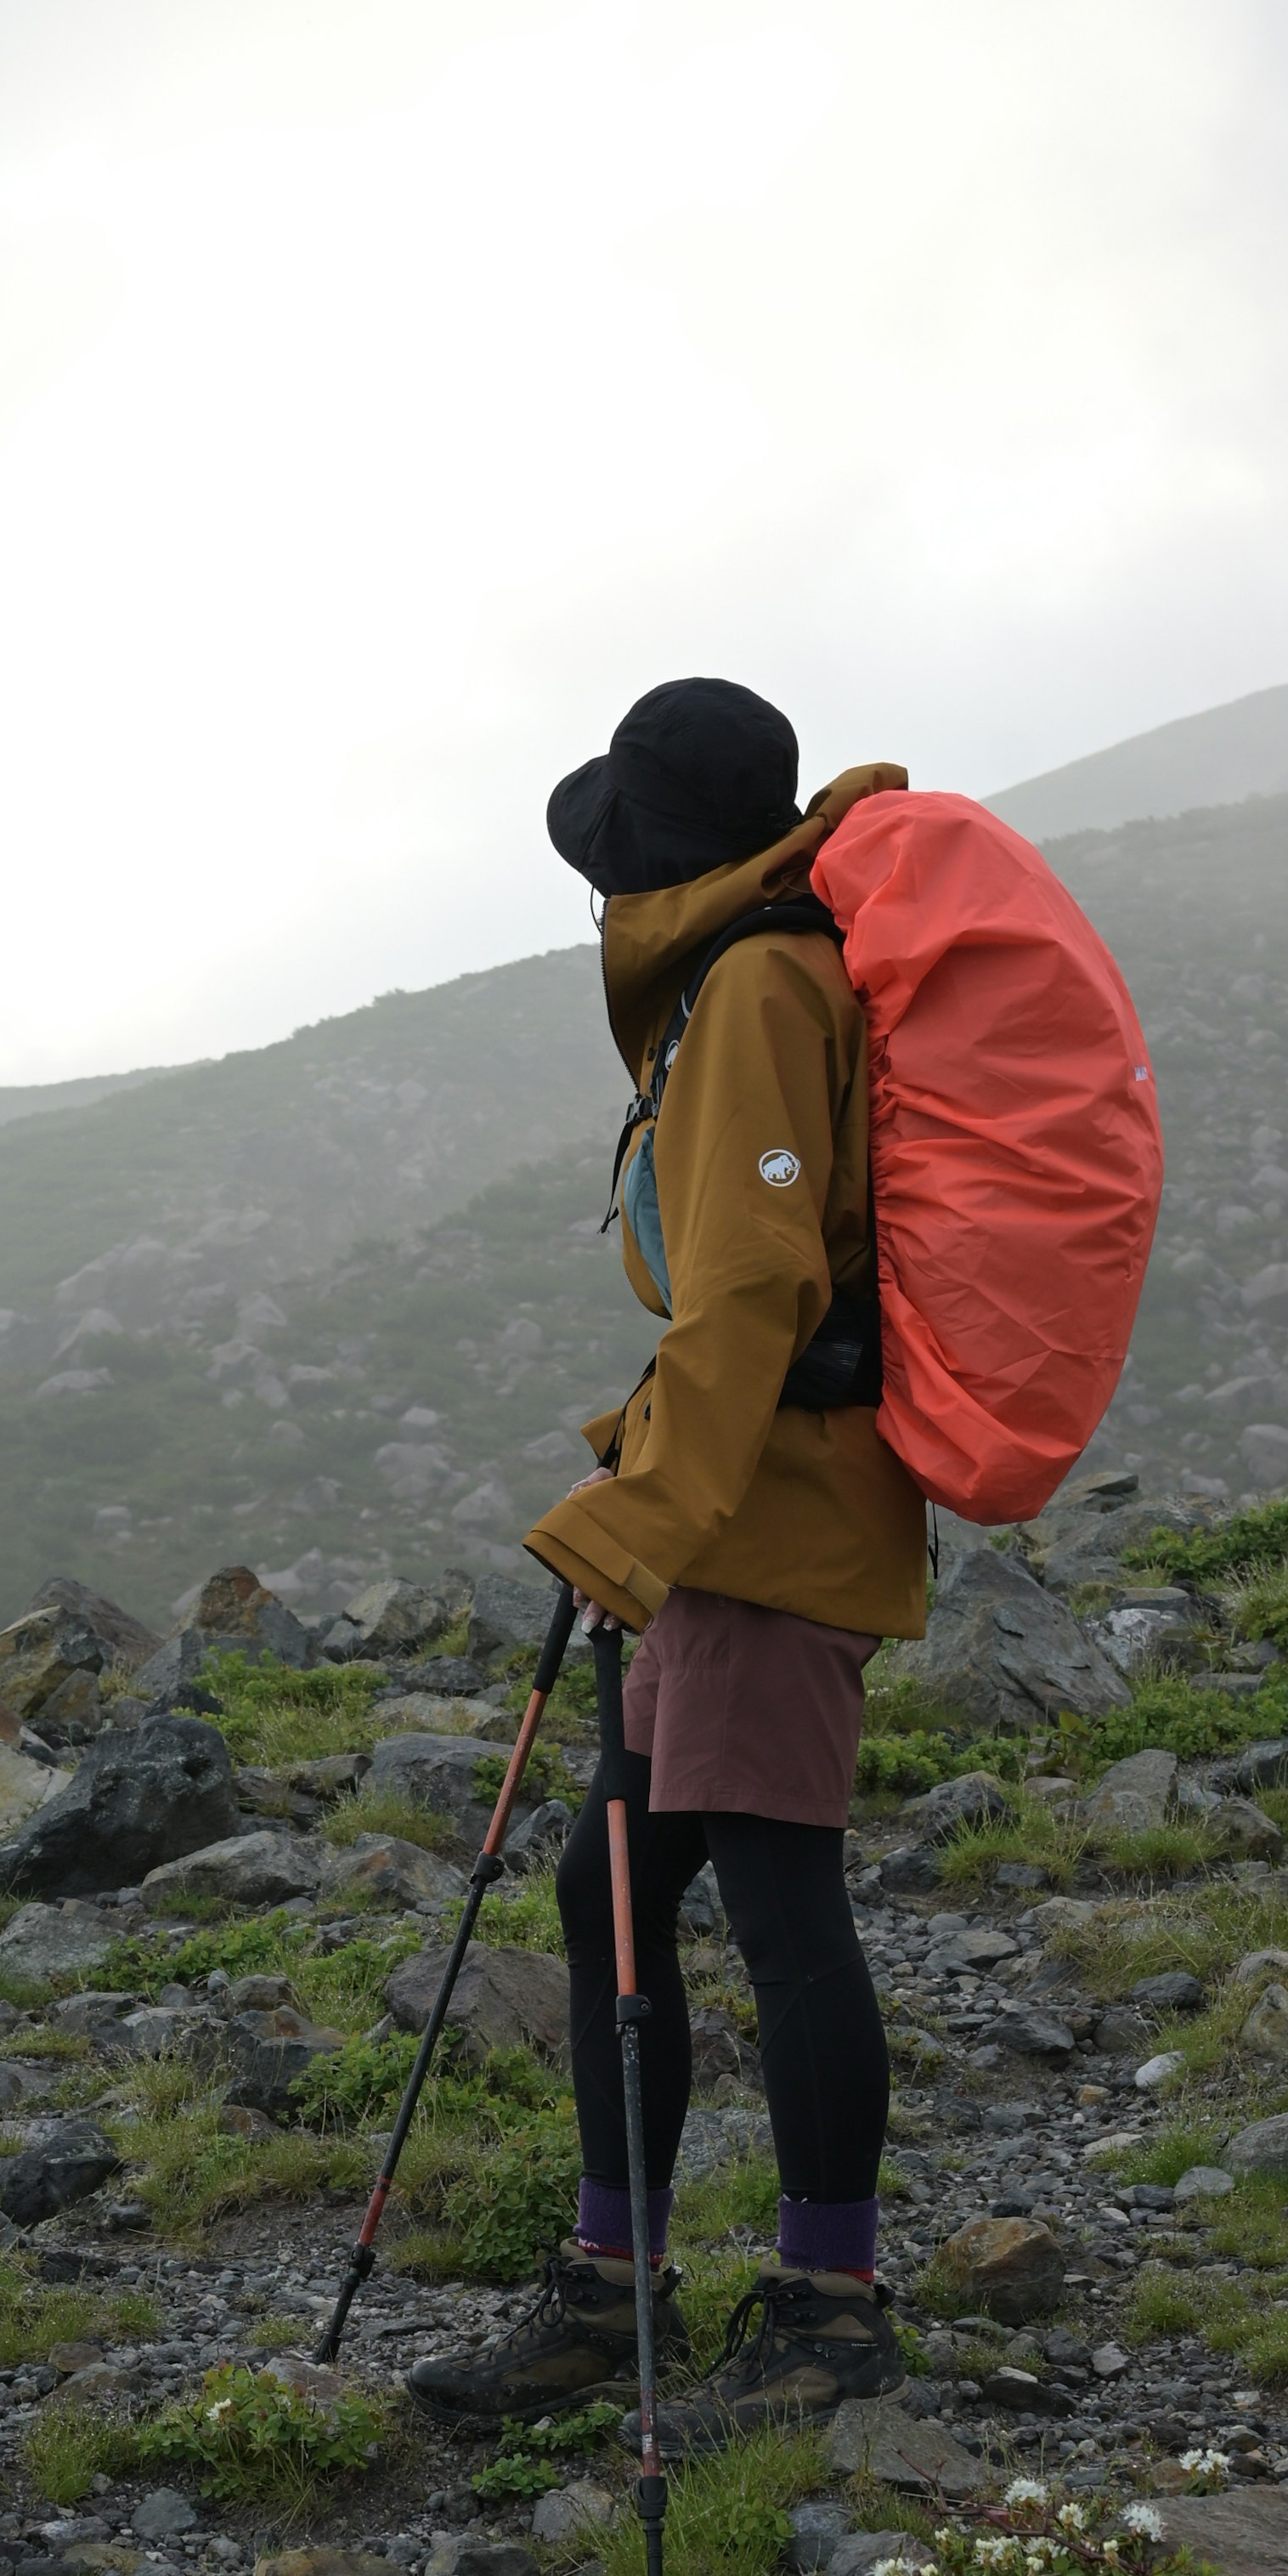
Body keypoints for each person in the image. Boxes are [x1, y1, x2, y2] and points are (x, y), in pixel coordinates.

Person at [408, 676, 924, 2455]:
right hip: (726, 1509)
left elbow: (757, 1288)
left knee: (782, 1914)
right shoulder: (730, 979)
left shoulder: (767, 988)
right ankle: (611, 2281)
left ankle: (828, 2305)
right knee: (608, 1896)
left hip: (769, 1519)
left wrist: (634, 1519)